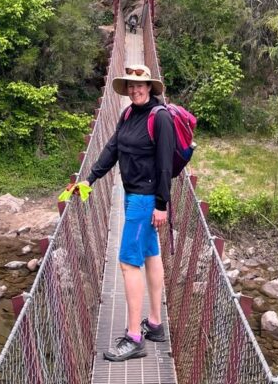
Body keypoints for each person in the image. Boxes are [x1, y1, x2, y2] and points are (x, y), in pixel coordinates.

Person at [81, 63, 174, 362]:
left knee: (126, 263)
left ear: (150, 87)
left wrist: (162, 204)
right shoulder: (127, 114)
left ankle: (134, 337)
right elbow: (113, 148)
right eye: (131, 86)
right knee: (150, 254)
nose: (135, 90)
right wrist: (91, 178)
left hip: (144, 201)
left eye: (140, 85)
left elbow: (164, 165)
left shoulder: (159, 118)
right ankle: (155, 325)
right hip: (131, 193)